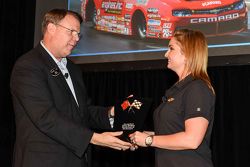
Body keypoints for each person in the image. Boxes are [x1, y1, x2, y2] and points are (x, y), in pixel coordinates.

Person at [10, 8, 131, 167]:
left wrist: (113, 112)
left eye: (78, 34)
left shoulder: (73, 69)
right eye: (71, 31)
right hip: (44, 161)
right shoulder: (29, 66)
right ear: (51, 28)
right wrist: (93, 138)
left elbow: (83, 112)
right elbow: (45, 117)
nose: (76, 38)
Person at [129, 29, 215, 167]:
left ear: (187, 53)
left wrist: (149, 140)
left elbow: (192, 140)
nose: (166, 54)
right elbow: (173, 130)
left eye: (171, 48)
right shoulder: (177, 90)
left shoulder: (197, 88)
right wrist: (142, 136)